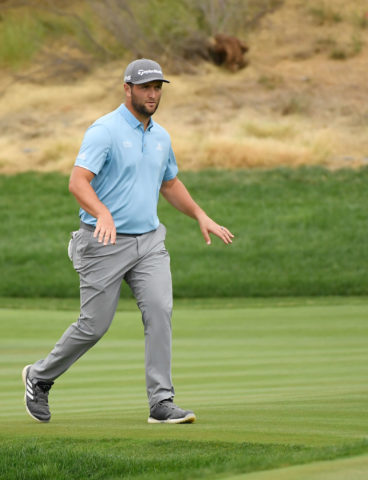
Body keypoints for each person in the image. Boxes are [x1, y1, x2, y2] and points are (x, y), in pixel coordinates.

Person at [22, 59, 234, 424]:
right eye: (145, 87)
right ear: (128, 89)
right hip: (102, 242)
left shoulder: (161, 136)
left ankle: (161, 402)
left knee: (159, 310)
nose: (152, 94)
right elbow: (78, 182)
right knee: (94, 325)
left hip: (149, 242)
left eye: (157, 88)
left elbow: (169, 183)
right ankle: (39, 377)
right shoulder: (104, 130)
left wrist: (200, 214)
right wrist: (102, 212)